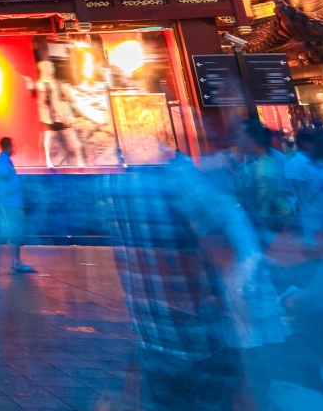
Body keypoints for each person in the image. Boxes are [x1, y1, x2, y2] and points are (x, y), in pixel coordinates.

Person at [106, 134, 262, 411]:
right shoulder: (179, 179)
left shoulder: (112, 185)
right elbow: (220, 254)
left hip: (151, 332)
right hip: (199, 335)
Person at [0, 137, 33, 274]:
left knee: (14, 230)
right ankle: (16, 262)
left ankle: (16, 262)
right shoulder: (3, 160)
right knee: (14, 230)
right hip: (11, 203)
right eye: (12, 145)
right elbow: (4, 176)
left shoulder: (4, 160)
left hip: (12, 202)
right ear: (8, 146)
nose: (13, 148)